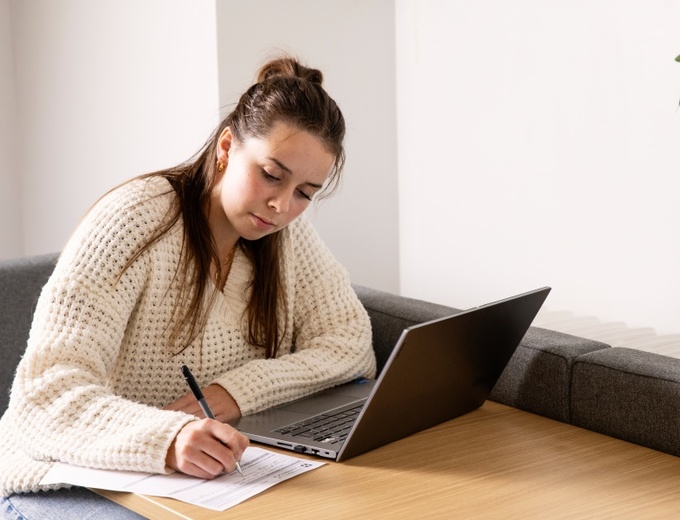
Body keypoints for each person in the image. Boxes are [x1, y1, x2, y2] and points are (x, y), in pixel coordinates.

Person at [0, 56, 376, 519]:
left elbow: (350, 344)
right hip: (63, 476)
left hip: (190, 483)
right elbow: (45, 395)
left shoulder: (282, 233)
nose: (282, 204)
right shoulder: (135, 220)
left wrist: (238, 392)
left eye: (305, 192)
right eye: (271, 175)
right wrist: (168, 438)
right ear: (226, 146)